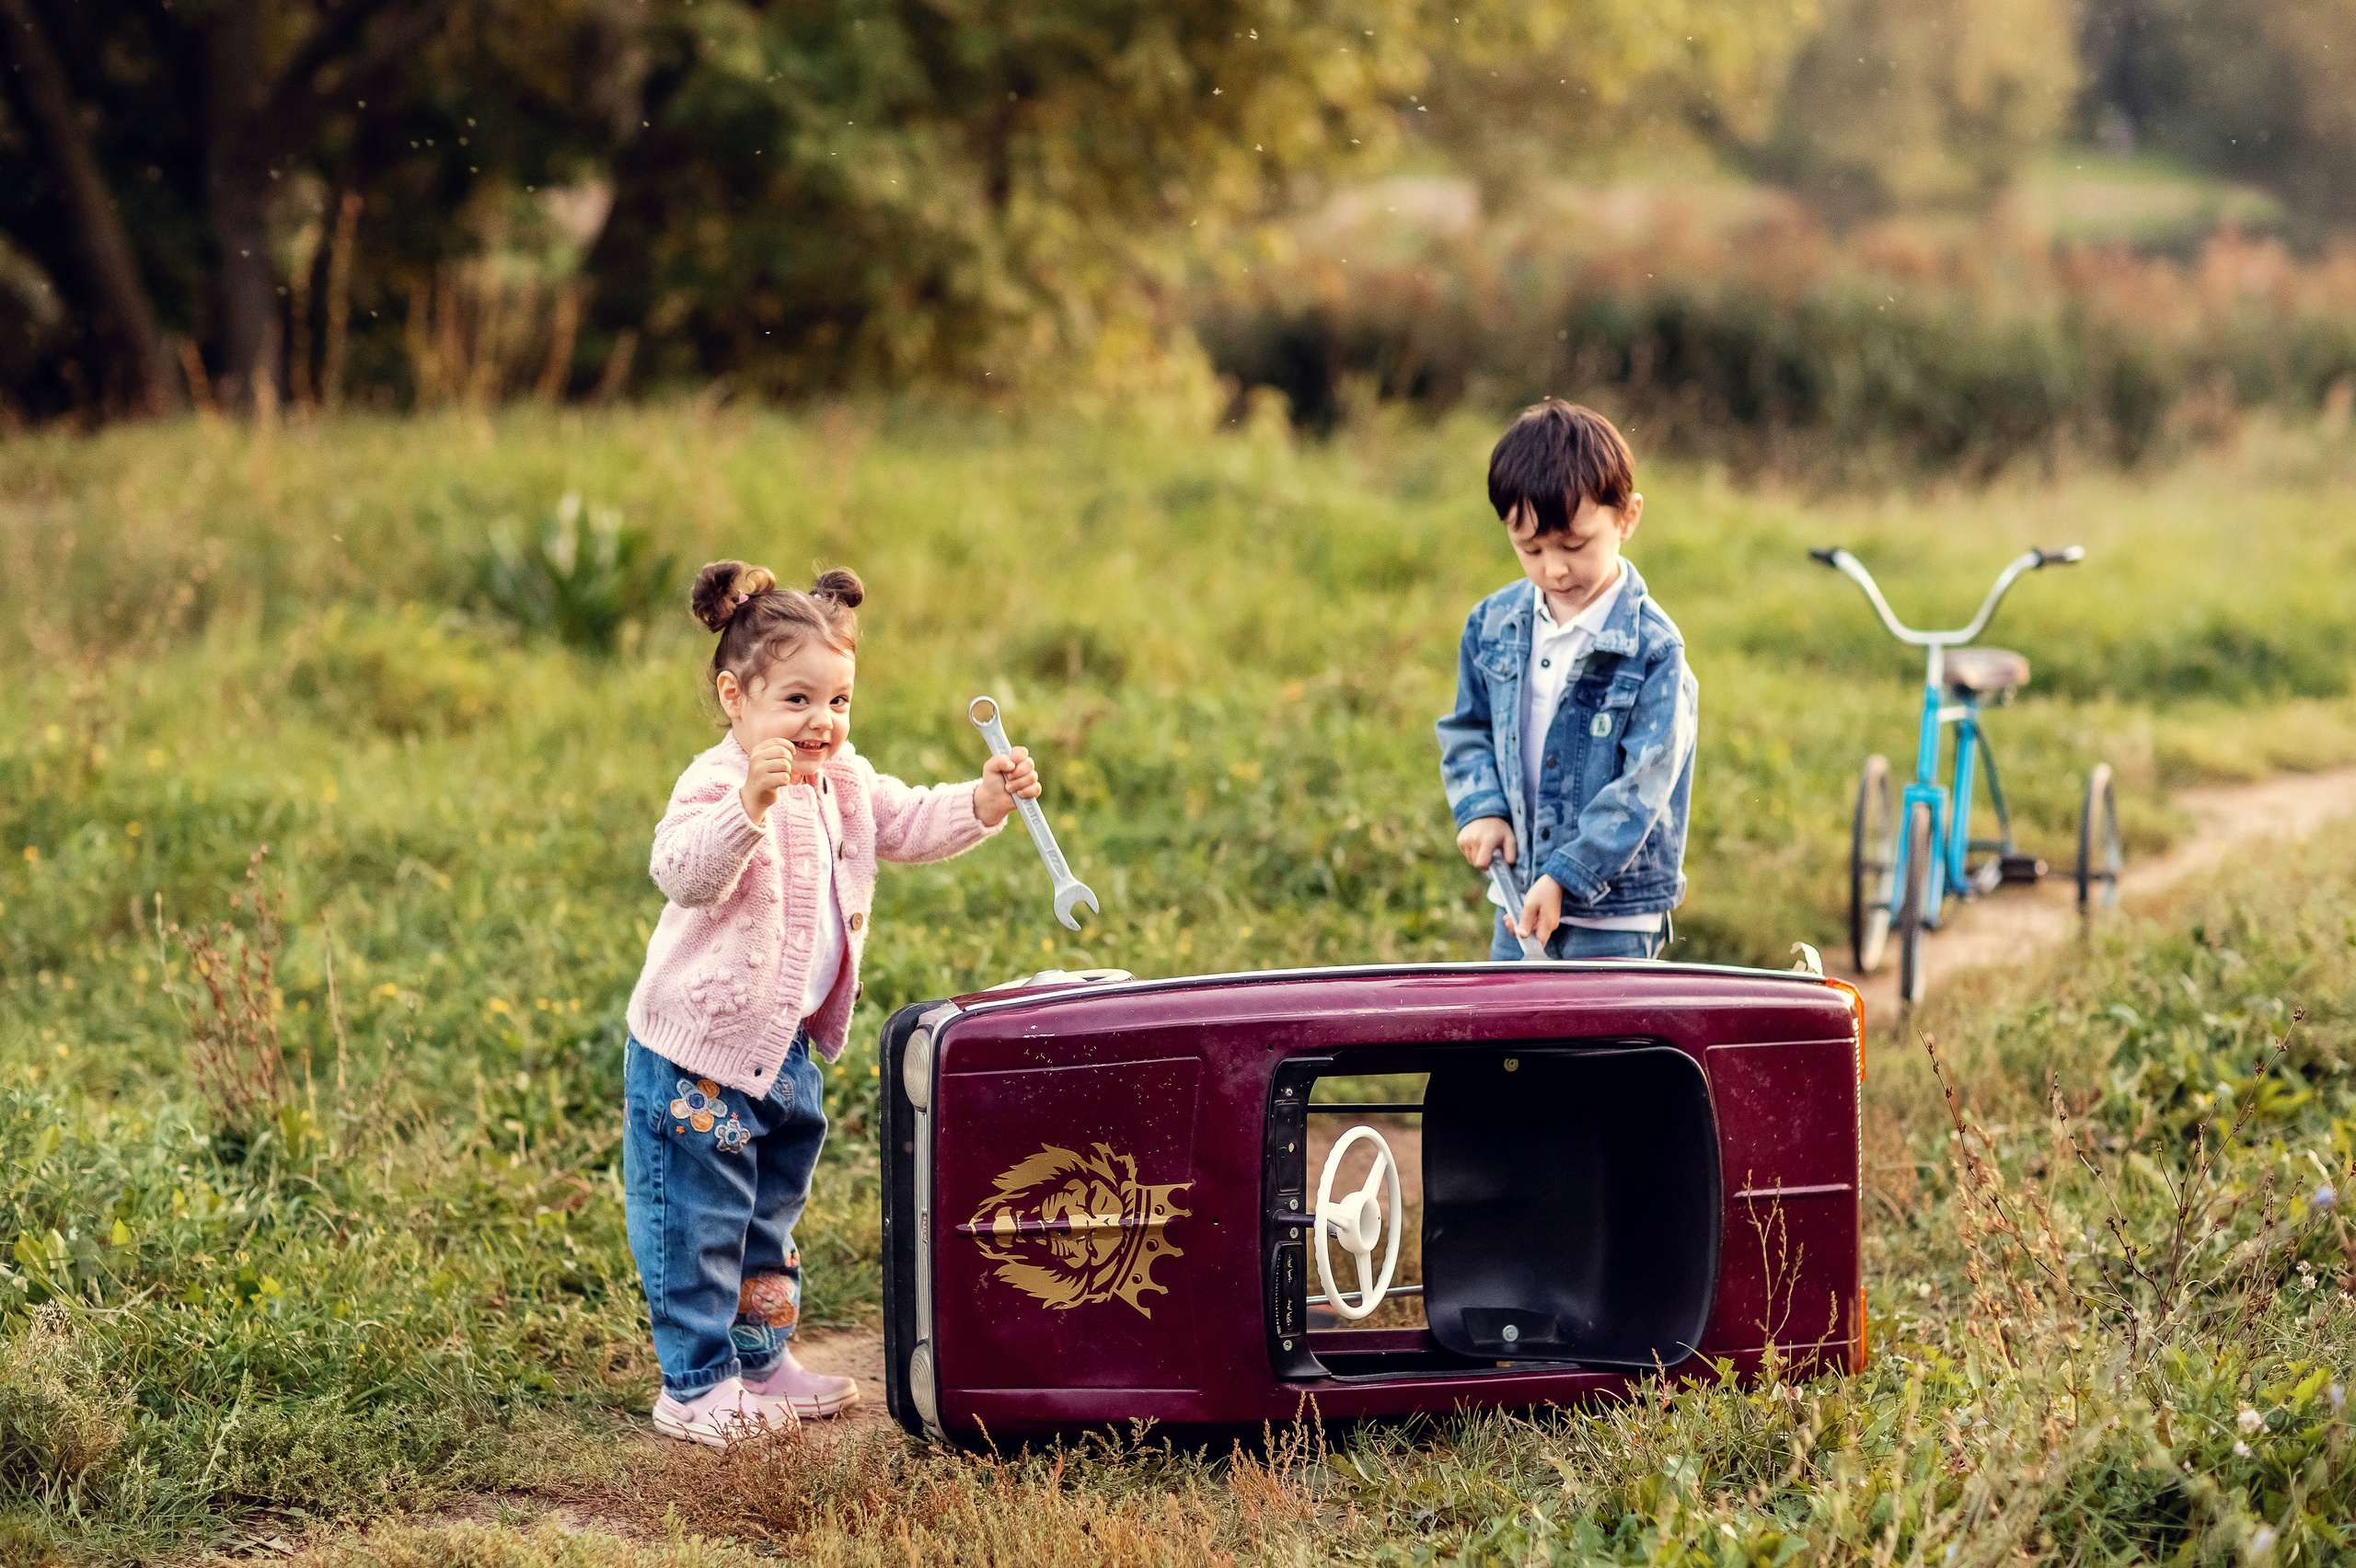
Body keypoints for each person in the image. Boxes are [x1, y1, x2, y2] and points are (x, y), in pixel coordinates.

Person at [623, 559, 1038, 1445]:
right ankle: (694, 1385)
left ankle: (762, 1361)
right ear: (737, 699)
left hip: (787, 1054)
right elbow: (680, 874)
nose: (823, 724)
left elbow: (908, 820)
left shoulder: (844, 778)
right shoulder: (714, 783)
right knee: (699, 1222)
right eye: (798, 702)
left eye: (840, 701)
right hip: (696, 1053)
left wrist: (984, 800)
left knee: (768, 1218)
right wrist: (747, 805)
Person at [1437, 399, 1699, 961]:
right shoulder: (1492, 625)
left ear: (1627, 517)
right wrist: (1482, 808)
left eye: (1574, 546)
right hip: (1518, 903)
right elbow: (1468, 728)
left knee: (1599, 1050)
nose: (1554, 569)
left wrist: (1565, 875)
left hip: (1614, 919)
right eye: (1530, 549)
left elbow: (1642, 789)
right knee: (1514, 1047)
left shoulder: (1654, 649)